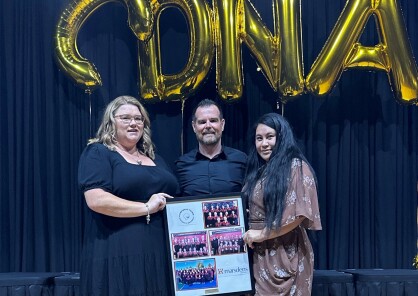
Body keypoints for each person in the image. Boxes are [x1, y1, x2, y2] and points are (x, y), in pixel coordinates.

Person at [78, 95, 178, 295]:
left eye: (138, 119)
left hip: (160, 253)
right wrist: (146, 208)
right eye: (125, 118)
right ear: (111, 122)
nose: (133, 123)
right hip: (118, 251)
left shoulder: (155, 157)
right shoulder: (98, 152)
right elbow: (96, 200)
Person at [242, 113, 322, 295]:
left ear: (282, 137)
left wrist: (262, 234)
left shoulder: (296, 167)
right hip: (261, 254)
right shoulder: (260, 170)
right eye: (259, 138)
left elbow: (299, 215)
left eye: (270, 137)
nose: (264, 144)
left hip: (287, 252)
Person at [175, 99, 247, 196]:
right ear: (194, 126)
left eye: (213, 121)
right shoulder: (181, 165)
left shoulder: (242, 160)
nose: (208, 126)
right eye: (202, 122)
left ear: (222, 124)